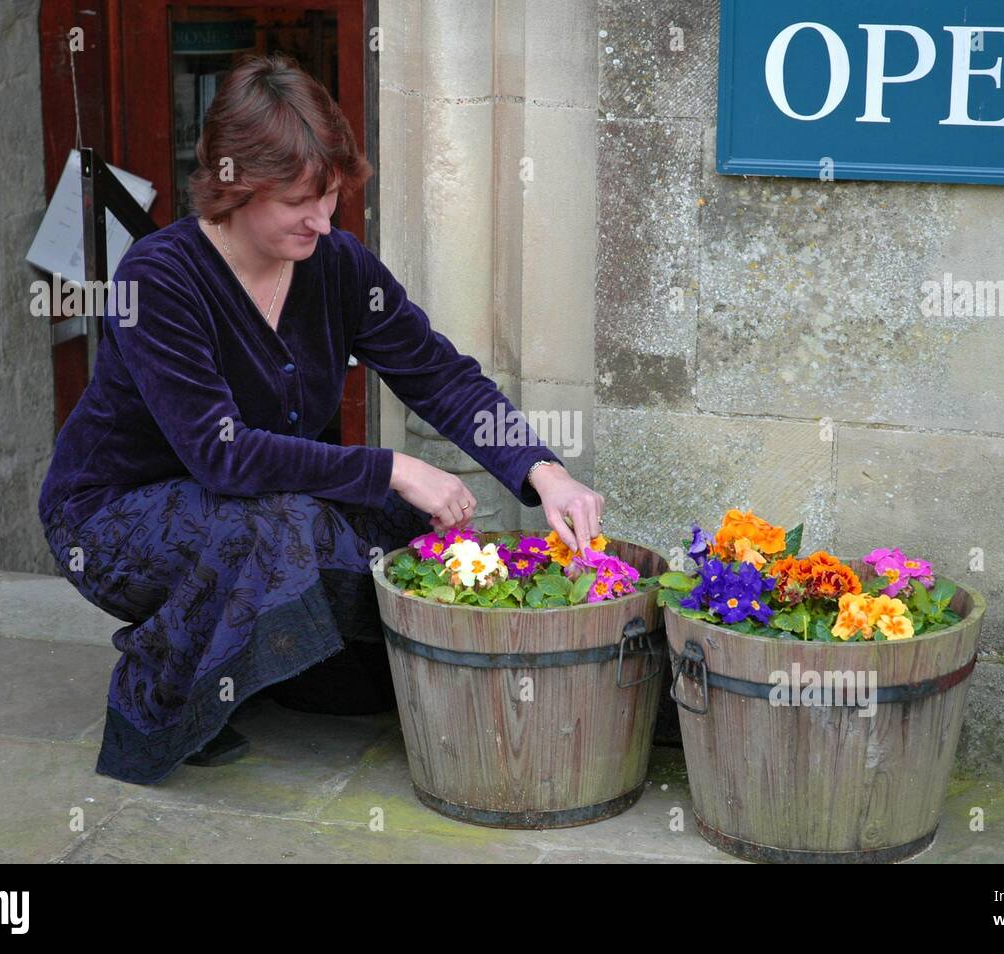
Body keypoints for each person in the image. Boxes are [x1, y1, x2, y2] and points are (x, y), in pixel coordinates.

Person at [36, 52, 606, 785]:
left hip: (256, 499)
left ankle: (266, 661)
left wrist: (545, 472)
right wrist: (393, 467)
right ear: (231, 184)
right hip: (112, 517)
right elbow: (224, 456)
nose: (322, 218)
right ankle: (161, 685)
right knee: (273, 525)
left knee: (403, 539)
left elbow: (436, 374)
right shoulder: (157, 278)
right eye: (298, 201)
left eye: (330, 195)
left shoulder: (336, 265)